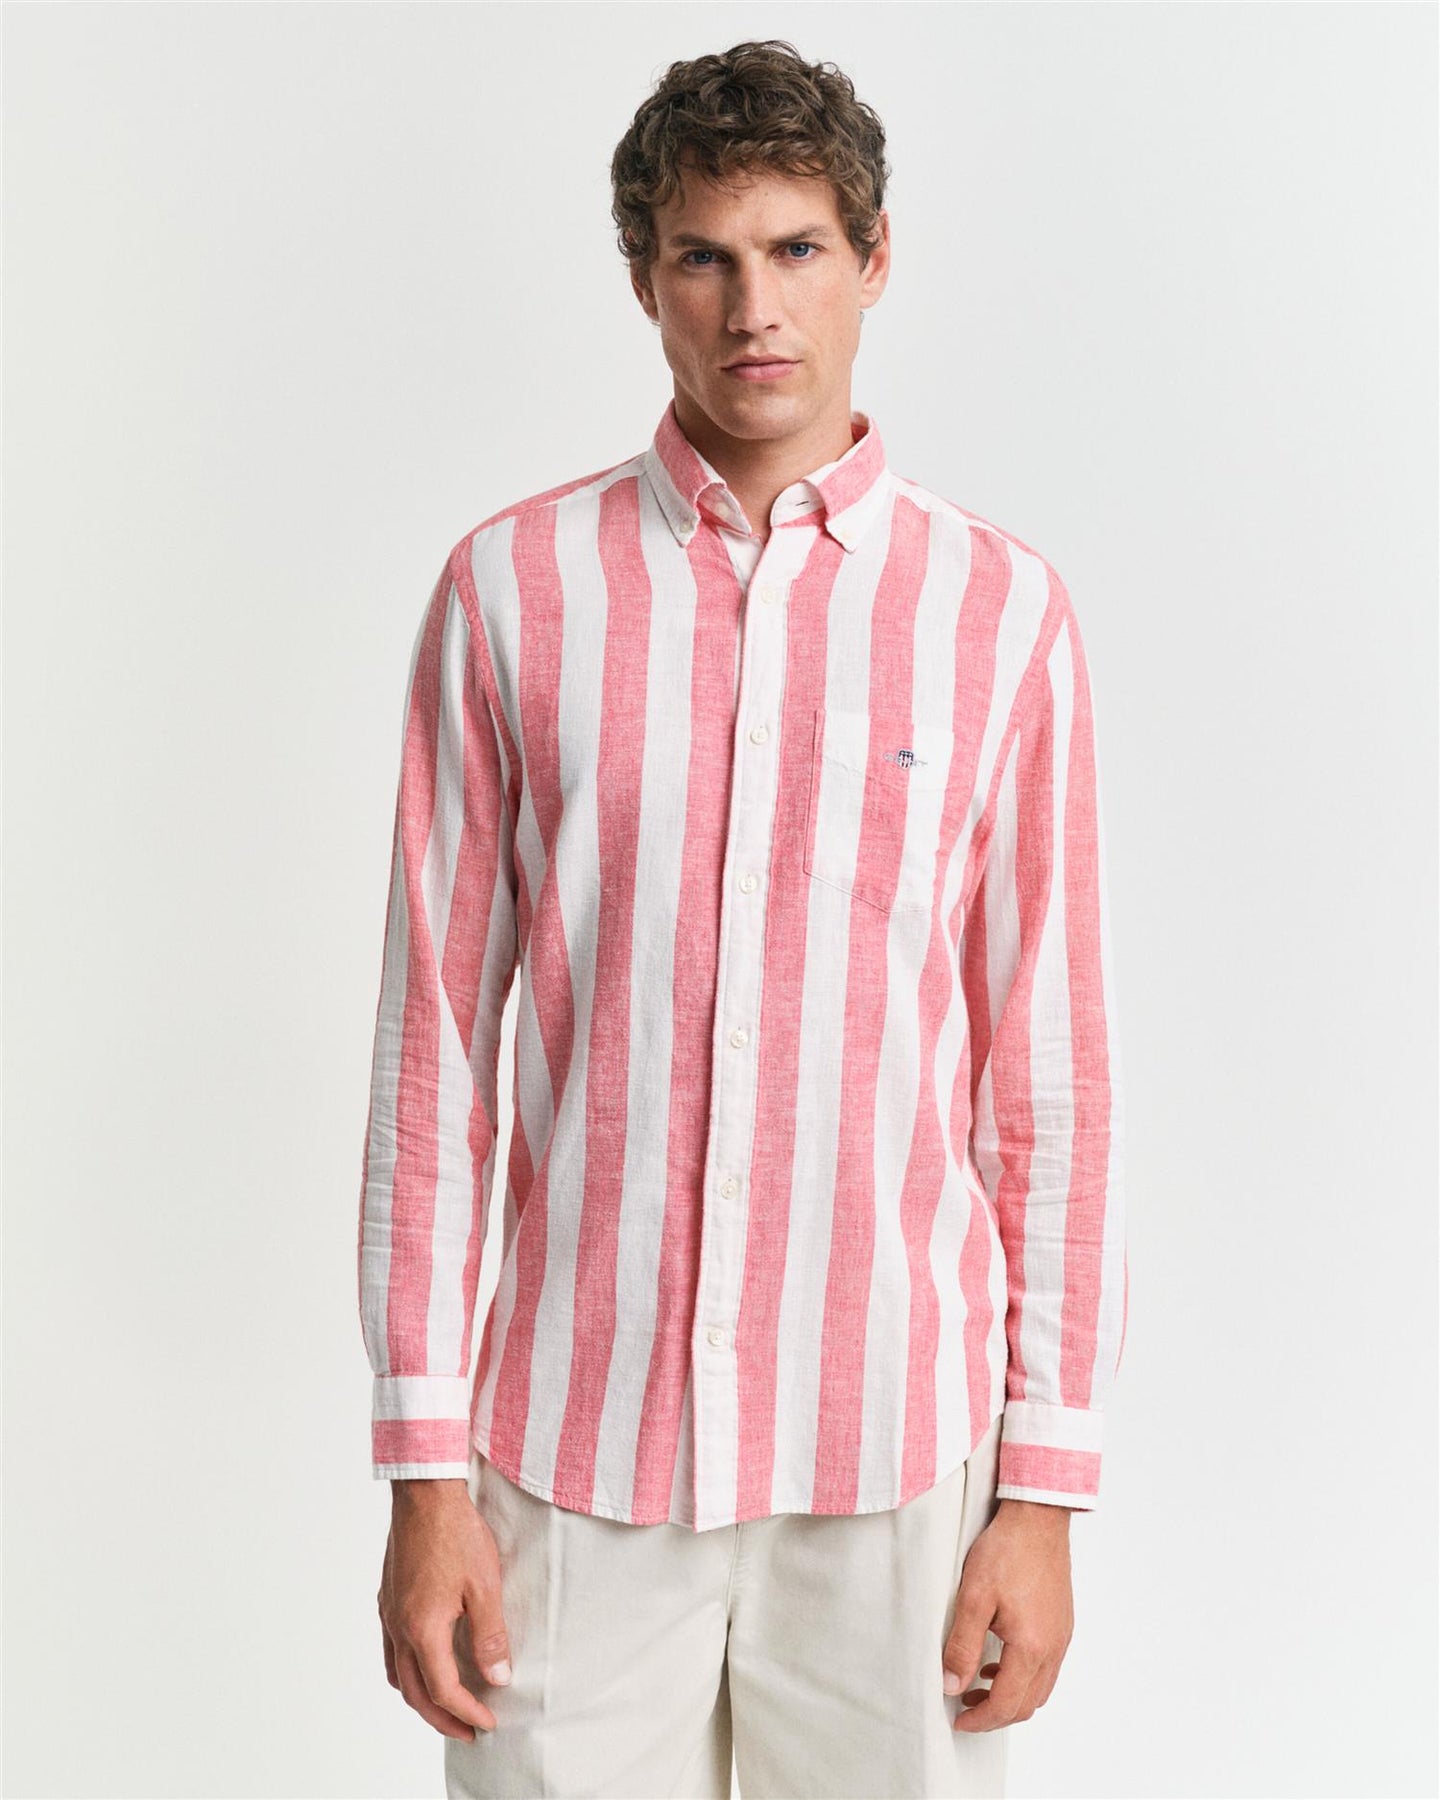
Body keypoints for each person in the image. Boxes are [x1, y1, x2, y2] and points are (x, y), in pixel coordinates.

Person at [356, 37, 1127, 1800]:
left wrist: (1044, 1491)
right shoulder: (511, 592)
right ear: (645, 279)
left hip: (896, 1472)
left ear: (873, 260)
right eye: (704, 255)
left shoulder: (1001, 615)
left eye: (797, 250)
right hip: (571, 1456)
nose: (753, 307)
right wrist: (421, 1472)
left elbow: (1047, 1086)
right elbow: (432, 1062)